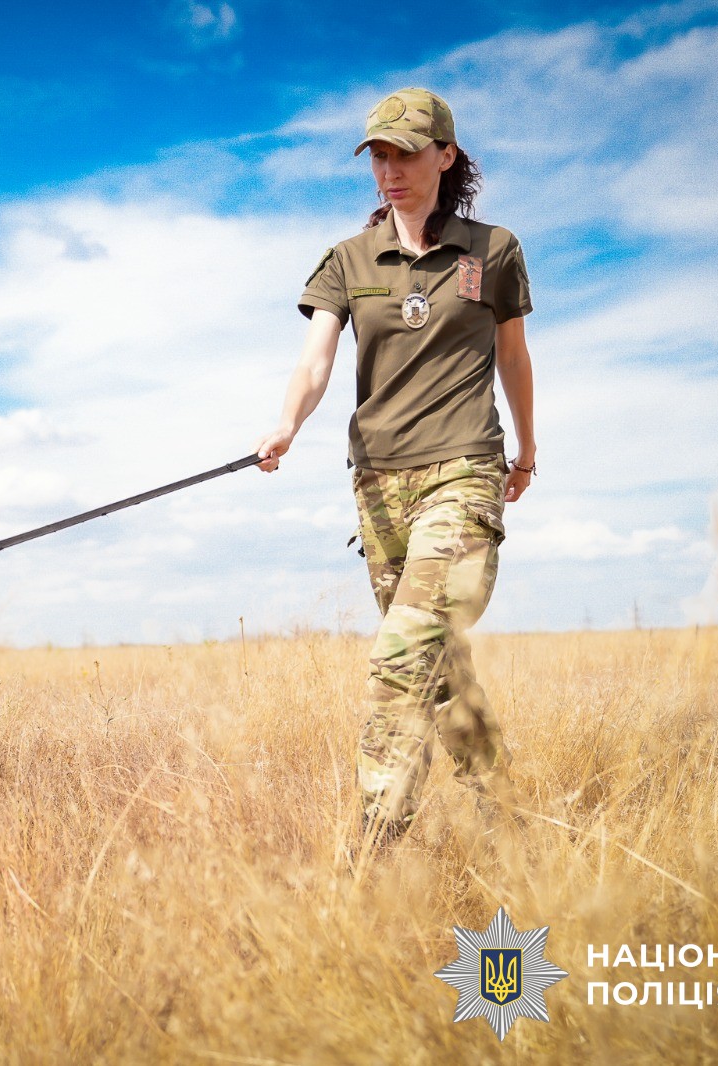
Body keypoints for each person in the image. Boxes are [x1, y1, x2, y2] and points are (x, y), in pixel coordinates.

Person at [255, 87, 536, 836]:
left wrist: (528, 447)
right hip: (379, 488)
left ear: (446, 155)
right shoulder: (348, 260)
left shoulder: (493, 249)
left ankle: (372, 853)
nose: (391, 171)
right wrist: (286, 424)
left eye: (406, 154)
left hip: (465, 471)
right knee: (438, 671)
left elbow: (513, 356)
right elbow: (315, 360)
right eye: (379, 156)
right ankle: (509, 823)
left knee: (401, 657)